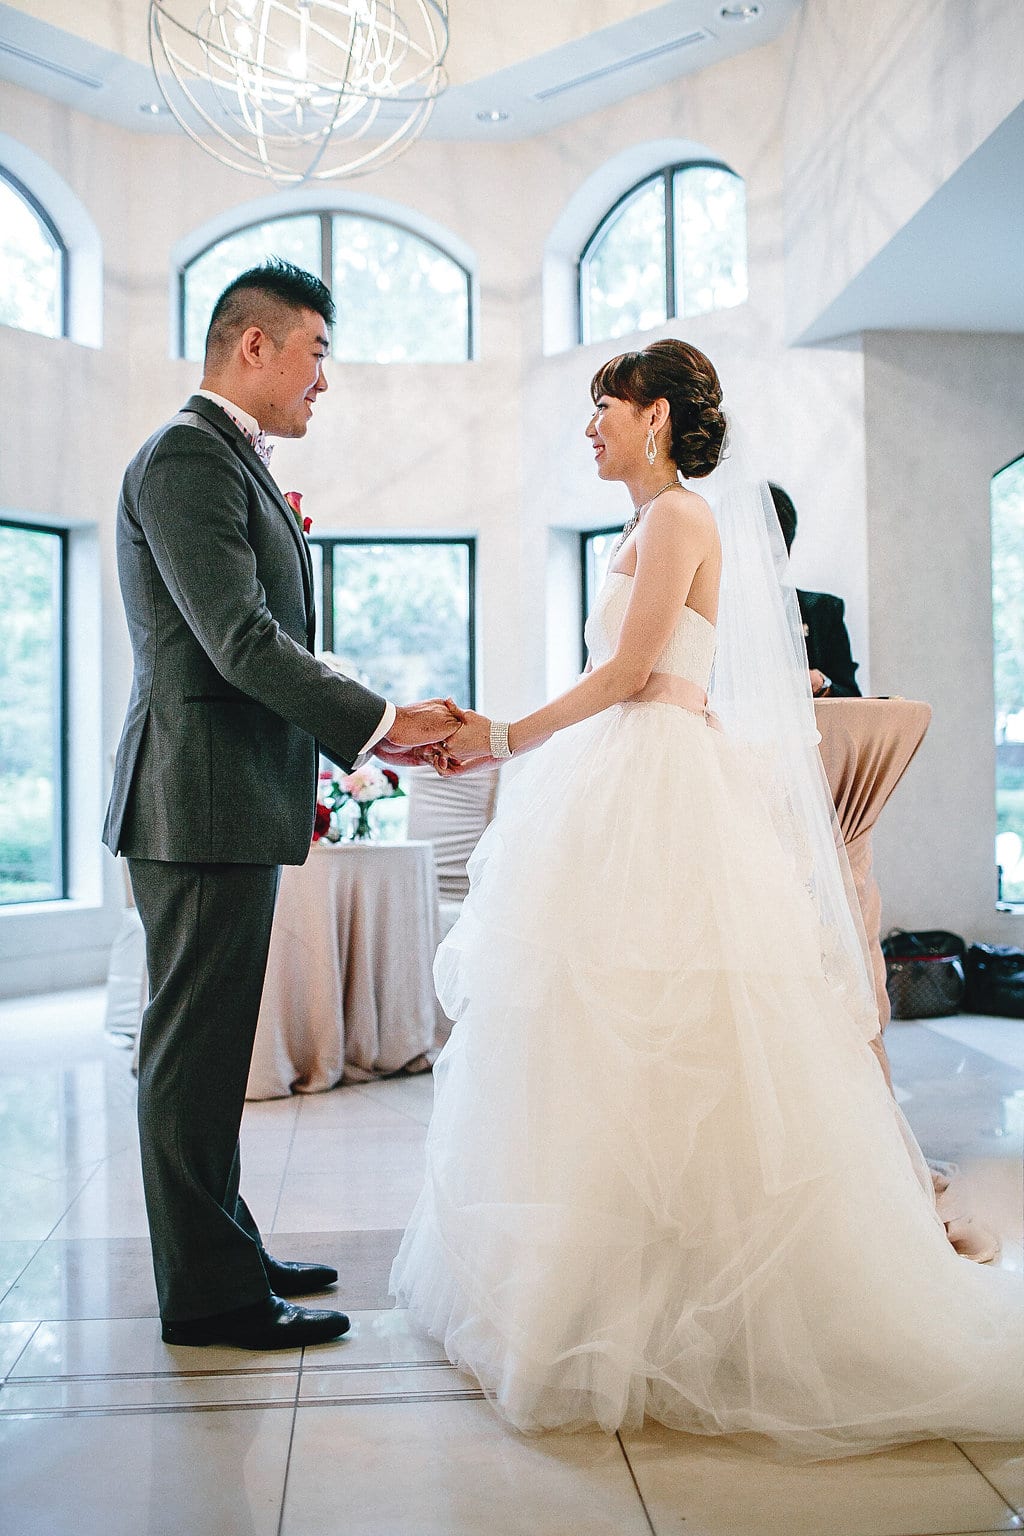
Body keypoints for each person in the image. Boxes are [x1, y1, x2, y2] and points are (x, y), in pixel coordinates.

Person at [390, 339, 1023, 1456]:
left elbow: (635, 675)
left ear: (656, 421)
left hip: (656, 780)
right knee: (601, 1041)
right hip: (626, 777)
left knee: (680, 1034)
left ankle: (706, 1303)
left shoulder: (682, 518)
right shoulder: (646, 526)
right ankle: (612, 1280)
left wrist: (500, 737)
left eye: (604, 409)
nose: (589, 429)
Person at [103, 260, 460, 1352]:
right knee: (191, 1055)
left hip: (222, 795)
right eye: (316, 352)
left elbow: (262, 643)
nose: (324, 381)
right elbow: (241, 640)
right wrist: (380, 721)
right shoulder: (184, 458)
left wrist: (367, 719)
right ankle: (209, 1295)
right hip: (193, 799)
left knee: (208, 1053)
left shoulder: (224, 461)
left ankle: (228, 1247)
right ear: (251, 347)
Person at [769, 483, 861, 697]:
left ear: (788, 553)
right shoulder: (716, 612)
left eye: (776, 558)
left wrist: (822, 683)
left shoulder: (823, 610)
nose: (767, 570)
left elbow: (852, 695)